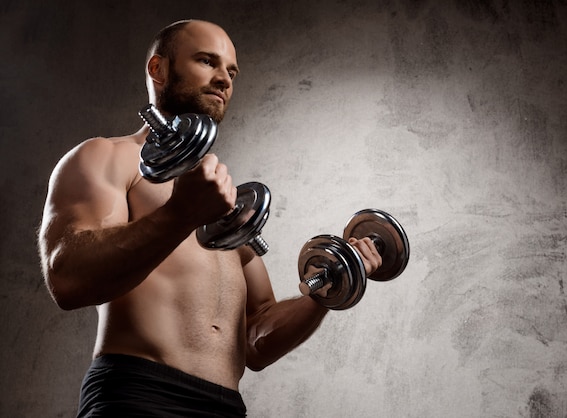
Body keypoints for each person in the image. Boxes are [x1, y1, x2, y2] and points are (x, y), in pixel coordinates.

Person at [38, 19, 382, 417]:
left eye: (231, 71)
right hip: (139, 395)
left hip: (224, 407)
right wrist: (180, 215)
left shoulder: (224, 200)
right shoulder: (107, 157)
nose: (224, 79)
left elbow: (256, 337)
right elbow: (67, 278)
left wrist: (331, 287)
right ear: (159, 69)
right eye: (207, 61)